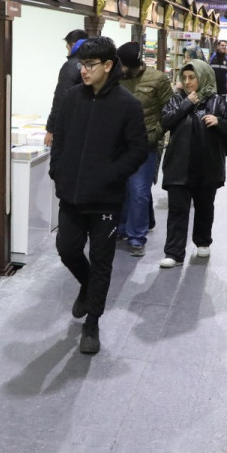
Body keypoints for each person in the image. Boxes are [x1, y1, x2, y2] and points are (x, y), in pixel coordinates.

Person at [48, 37, 148, 354]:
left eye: (90, 65)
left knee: (102, 261)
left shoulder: (127, 105)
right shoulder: (71, 98)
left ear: (107, 65)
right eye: (82, 64)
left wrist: (110, 175)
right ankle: (87, 285)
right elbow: (59, 137)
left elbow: (138, 150)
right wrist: (57, 169)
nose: (84, 70)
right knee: (67, 249)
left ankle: (92, 323)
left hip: (105, 200)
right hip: (71, 194)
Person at [158, 60, 227, 268]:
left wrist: (219, 122)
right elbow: (165, 122)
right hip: (179, 165)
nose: (187, 82)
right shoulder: (177, 100)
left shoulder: (217, 102)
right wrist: (186, 104)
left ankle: (203, 242)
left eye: (192, 77)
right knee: (177, 210)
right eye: (184, 78)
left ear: (203, 77)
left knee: (204, 207)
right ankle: (174, 253)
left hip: (208, 166)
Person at [116, 41, 174, 257]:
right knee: (121, 190)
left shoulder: (158, 79)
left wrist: (155, 134)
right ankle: (121, 229)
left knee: (139, 191)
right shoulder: (116, 78)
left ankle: (136, 237)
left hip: (145, 145)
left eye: (123, 65)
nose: (120, 69)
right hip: (119, 145)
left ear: (133, 64)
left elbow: (170, 111)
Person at [44, 29, 89, 146]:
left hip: (70, 126)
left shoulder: (71, 65)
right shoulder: (91, 65)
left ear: (73, 45)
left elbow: (61, 97)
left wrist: (51, 128)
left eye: (67, 47)